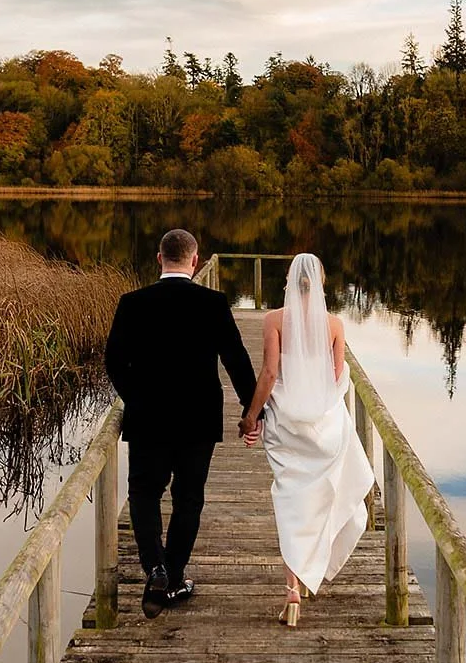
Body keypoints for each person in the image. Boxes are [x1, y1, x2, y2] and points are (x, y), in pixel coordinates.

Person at [104, 229, 258, 618]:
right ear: (195, 261)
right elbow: (236, 359)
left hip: (148, 417)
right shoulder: (213, 302)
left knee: (144, 492)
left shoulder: (132, 303)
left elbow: (113, 361)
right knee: (188, 498)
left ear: (159, 259)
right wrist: (251, 410)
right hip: (197, 418)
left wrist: (136, 397)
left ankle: (154, 568)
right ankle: (172, 576)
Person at [238, 253, 374, 627]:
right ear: (320, 284)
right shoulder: (334, 325)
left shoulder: (273, 320)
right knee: (323, 496)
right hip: (324, 429)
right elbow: (334, 379)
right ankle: (314, 565)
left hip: (287, 427)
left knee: (291, 502)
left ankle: (293, 588)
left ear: (289, 281)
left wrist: (252, 416)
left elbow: (268, 374)